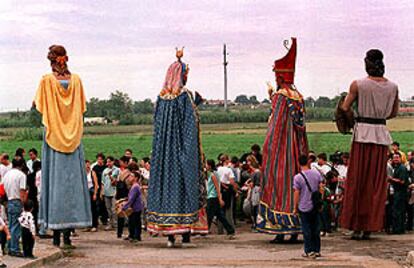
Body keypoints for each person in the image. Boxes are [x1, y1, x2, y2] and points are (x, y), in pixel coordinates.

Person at [147, 48, 207, 248]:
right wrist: (192, 154)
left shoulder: (161, 98)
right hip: (180, 150)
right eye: (185, 74)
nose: (186, 78)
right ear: (180, 75)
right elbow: (191, 125)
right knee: (183, 186)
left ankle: (169, 234)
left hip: (163, 153)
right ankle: (181, 231)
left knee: (166, 186)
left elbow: (156, 126)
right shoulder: (184, 97)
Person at [33, 45, 92, 248]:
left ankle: (61, 234)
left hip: (55, 136)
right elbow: (82, 106)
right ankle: (63, 235)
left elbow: (38, 105)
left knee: (57, 184)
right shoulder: (74, 80)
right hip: (72, 135)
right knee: (69, 184)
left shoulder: (47, 81)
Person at [340, 49, 399, 240]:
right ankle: (369, 226)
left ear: (367, 63)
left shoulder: (358, 84)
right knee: (375, 184)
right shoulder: (393, 87)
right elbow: (393, 113)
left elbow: (345, 107)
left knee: (358, 180)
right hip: (381, 135)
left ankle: (356, 225)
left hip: (362, 134)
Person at [256, 38, 308, 242]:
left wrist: (268, 149)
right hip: (297, 148)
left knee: (279, 185)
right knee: (293, 185)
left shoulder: (281, 95)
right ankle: (295, 230)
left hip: (281, 151)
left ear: (279, 76)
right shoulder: (298, 95)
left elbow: (276, 126)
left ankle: (279, 228)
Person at [293, 154, 323, 258]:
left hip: (304, 206)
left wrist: (295, 207)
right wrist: (320, 200)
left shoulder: (297, 177)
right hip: (315, 205)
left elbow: (296, 193)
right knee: (316, 229)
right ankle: (317, 249)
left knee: (306, 229)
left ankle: (308, 250)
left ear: (298, 163)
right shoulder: (316, 174)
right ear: (308, 162)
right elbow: (321, 187)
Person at [3, 158, 27, 257]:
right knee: (16, 227)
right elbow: (22, 191)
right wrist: (23, 203)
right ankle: (15, 249)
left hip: (9, 200)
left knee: (11, 225)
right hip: (17, 201)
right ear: (21, 165)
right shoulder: (21, 175)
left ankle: (10, 247)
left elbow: (3, 188)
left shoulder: (7, 174)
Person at [205, 160, 235, 238]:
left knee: (209, 215)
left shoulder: (212, 175)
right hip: (213, 197)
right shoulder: (215, 174)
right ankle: (230, 230)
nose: (205, 166)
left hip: (212, 197)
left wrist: (220, 198)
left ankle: (205, 230)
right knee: (220, 215)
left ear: (210, 166)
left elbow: (217, 187)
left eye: (206, 165)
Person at [388, 152, 409, 234]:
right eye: (394, 158)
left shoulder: (402, 168)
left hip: (401, 192)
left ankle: (398, 229)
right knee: (398, 210)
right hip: (397, 191)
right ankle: (398, 228)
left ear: (400, 158)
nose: (395, 159)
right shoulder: (396, 167)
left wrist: (390, 179)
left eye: (397, 158)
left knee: (398, 211)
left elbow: (402, 181)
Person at [216, 154, 238, 234]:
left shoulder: (218, 169)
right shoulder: (229, 170)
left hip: (220, 190)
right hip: (228, 191)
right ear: (227, 161)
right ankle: (230, 228)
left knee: (220, 210)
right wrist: (236, 191)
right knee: (229, 211)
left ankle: (220, 229)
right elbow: (232, 182)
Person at [122, 171, 144, 243]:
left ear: (136, 178)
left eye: (131, 176)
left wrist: (124, 206)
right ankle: (132, 235)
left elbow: (131, 199)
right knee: (132, 221)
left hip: (135, 207)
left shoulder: (135, 187)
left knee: (135, 222)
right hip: (135, 207)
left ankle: (136, 236)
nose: (129, 178)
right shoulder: (135, 186)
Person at [102, 156, 119, 230]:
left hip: (114, 191)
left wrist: (110, 175)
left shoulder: (116, 170)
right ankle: (110, 223)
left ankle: (115, 224)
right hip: (106, 191)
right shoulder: (105, 170)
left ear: (113, 162)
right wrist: (102, 191)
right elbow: (102, 182)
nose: (108, 163)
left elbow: (115, 182)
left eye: (110, 161)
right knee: (108, 208)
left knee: (114, 209)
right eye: (107, 162)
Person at [115, 156, 131, 238]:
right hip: (120, 195)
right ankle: (119, 233)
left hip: (125, 196)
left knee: (128, 214)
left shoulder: (128, 172)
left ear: (126, 163)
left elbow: (128, 185)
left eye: (121, 162)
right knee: (120, 214)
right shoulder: (120, 171)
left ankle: (130, 233)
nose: (120, 163)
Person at [92, 153, 108, 226]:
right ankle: (98, 219)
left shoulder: (105, 167)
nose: (99, 160)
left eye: (101, 159)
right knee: (98, 204)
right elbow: (95, 179)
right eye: (98, 159)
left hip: (105, 187)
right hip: (97, 187)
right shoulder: (95, 168)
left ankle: (105, 219)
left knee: (104, 204)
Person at [26, 160, 40, 235]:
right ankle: (38, 228)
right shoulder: (40, 175)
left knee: (32, 213)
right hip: (37, 195)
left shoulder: (29, 176)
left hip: (30, 195)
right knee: (37, 212)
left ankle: (31, 227)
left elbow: (27, 187)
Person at [85, 160, 99, 232]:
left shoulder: (92, 173)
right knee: (86, 209)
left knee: (93, 209)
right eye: (86, 165)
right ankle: (88, 224)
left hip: (91, 191)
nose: (87, 166)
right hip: (85, 192)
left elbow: (96, 184)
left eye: (88, 164)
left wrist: (95, 194)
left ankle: (94, 225)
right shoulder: (83, 173)